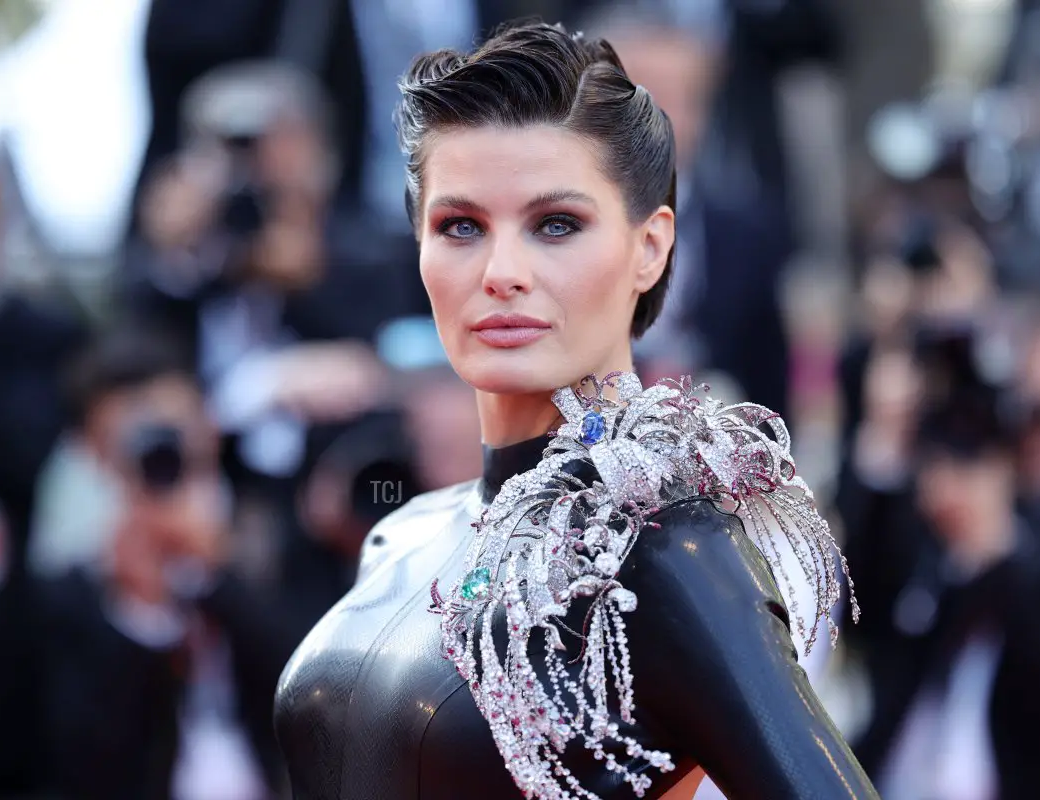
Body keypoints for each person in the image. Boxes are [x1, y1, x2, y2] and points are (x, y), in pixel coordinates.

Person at [274, 21, 878, 800]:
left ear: (651, 248)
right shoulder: (402, 532)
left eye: (556, 224)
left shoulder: (662, 555)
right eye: (460, 226)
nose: (501, 272)